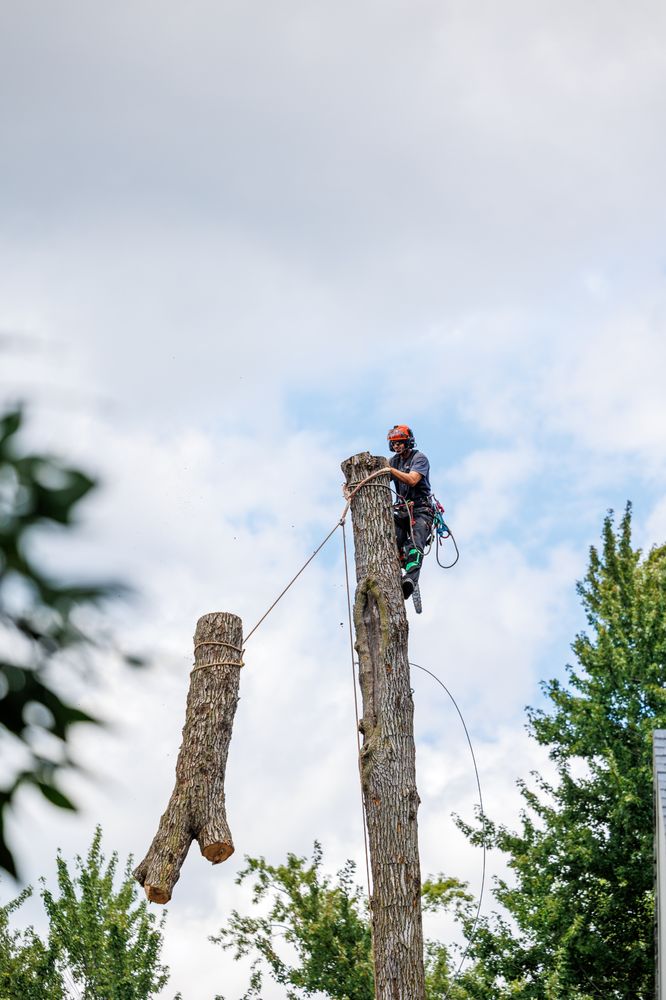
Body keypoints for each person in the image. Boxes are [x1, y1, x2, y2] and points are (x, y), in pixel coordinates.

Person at [387, 424, 434, 601]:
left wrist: (390, 470)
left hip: (421, 510)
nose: (397, 446)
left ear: (408, 442)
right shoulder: (394, 461)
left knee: (414, 545)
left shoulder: (419, 458)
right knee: (392, 540)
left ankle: (410, 580)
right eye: (394, 443)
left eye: (400, 442)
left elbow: (413, 480)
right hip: (402, 511)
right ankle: (399, 564)